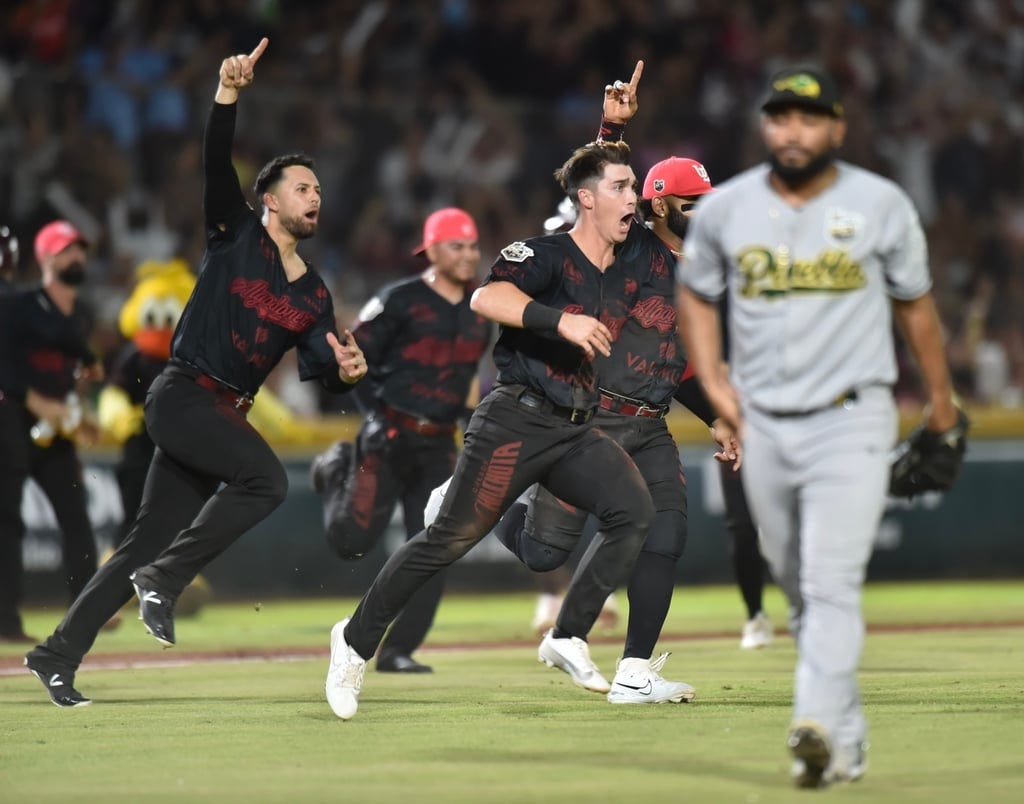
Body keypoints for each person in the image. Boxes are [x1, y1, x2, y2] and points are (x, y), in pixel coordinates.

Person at [25, 38, 367, 707]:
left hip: (218, 415)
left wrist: (350, 371)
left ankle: (57, 653)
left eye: (319, 190)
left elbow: (325, 372)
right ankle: (167, 579)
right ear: (268, 199)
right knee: (266, 480)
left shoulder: (313, 294)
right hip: (182, 395)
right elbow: (214, 160)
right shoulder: (235, 232)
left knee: (140, 542)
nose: (314, 196)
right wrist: (227, 95)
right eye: (302, 187)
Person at [677, 65, 963, 787]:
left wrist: (942, 404)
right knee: (796, 583)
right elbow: (696, 295)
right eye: (780, 118)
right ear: (765, 127)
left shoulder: (881, 204)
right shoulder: (726, 210)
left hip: (853, 416)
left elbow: (916, 308)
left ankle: (811, 722)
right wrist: (711, 378)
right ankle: (848, 737)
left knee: (830, 581)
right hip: (766, 421)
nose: (792, 131)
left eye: (808, 118)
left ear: (837, 127)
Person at [325, 116, 663, 721]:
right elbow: (488, 298)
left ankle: (566, 634)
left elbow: (630, 191)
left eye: (633, 185)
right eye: (620, 186)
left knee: (634, 512)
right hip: (517, 419)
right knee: (447, 541)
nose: (632, 196)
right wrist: (561, 321)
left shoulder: (620, 260)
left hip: (576, 427)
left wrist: (614, 127)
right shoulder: (547, 253)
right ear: (585, 199)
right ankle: (351, 642)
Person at [479, 70, 737, 705]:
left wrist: (719, 418)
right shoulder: (631, 249)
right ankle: (482, 510)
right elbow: (591, 196)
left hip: (647, 423)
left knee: (667, 534)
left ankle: (633, 672)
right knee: (543, 554)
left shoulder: (706, 276)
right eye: (691, 202)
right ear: (654, 206)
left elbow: (677, 369)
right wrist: (613, 128)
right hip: (588, 420)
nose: (706, 214)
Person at [309, 207, 493, 674]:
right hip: (388, 435)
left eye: (472, 246)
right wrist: (375, 417)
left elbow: (469, 378)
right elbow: (355, 357)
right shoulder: (399, 300)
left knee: (437, 545)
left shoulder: (480, 310)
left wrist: (473, 427)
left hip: (438, 444)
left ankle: (398, 650)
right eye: (458, 245)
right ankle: (333, 470)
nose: (469, 254)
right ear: (430, 250)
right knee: (352, 541)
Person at [0, 220, 102, 644]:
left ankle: (88, 610)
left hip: (53, 431)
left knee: (76, 517)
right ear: (44, 258)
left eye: (79, 249)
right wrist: (41, 401)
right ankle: (4, 620)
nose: (76, 257)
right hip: (12, 423)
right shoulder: (17, 304)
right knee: (7, 521)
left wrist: (79, 412)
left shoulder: (79, 316)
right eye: (65, 250)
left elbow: (70, 373)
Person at [719, 461, 773, 649]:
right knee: (741, 528)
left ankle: (817, 614)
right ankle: (755, 615)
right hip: (739, 443)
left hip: (796, 441)